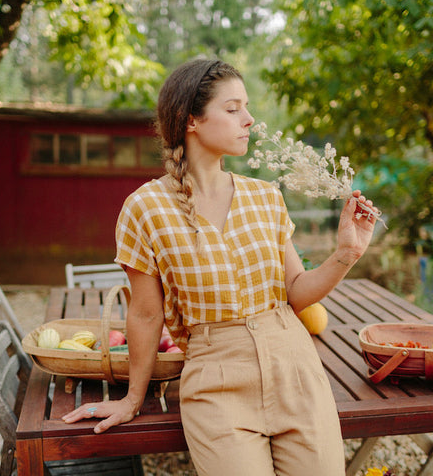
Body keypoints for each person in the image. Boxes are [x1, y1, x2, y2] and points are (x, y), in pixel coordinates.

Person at [63, 58, 378, 475]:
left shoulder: (266, 197)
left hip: (295, 368)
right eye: (233, 109)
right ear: (191, 119)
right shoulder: (145, 208)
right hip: (216, 383)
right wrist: (132, 399)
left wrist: (346, 254)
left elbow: (296, 292)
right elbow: (144, 312)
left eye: (246, 107)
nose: (248, 120)